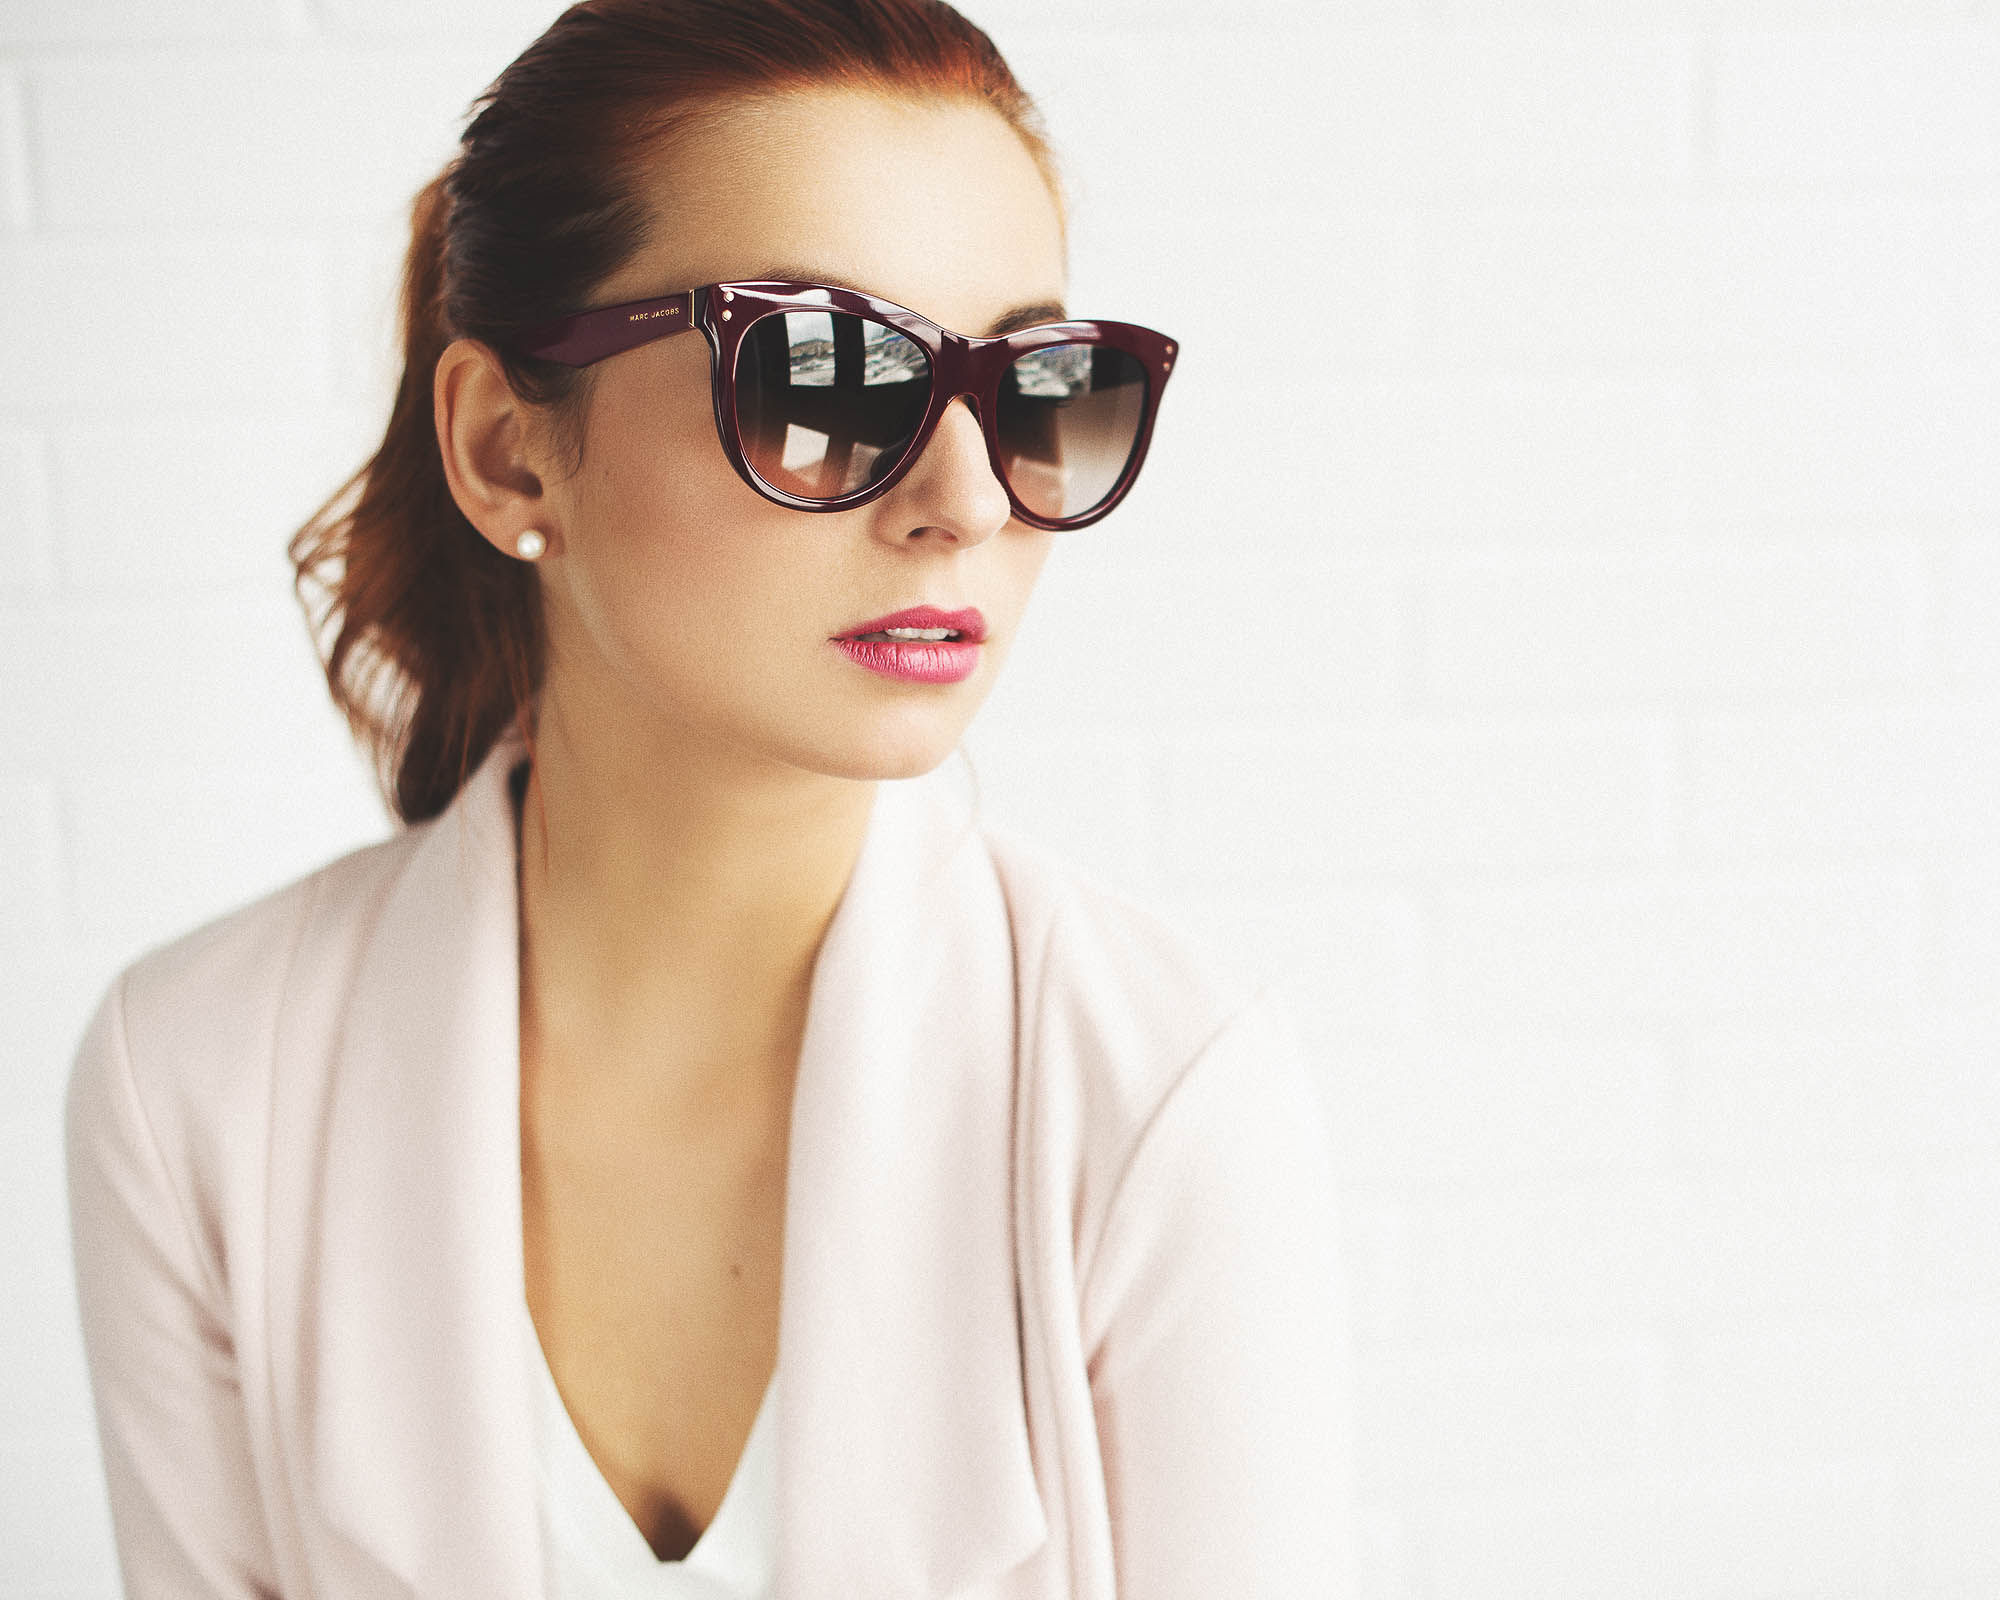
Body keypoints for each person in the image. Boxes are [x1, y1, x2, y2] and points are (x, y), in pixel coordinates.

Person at [62, 2, 1354, 1596]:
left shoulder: (1164, 1096)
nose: (966, 502)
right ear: (507, 450)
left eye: (1033, 389)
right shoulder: (191, 1085)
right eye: (830, 379)